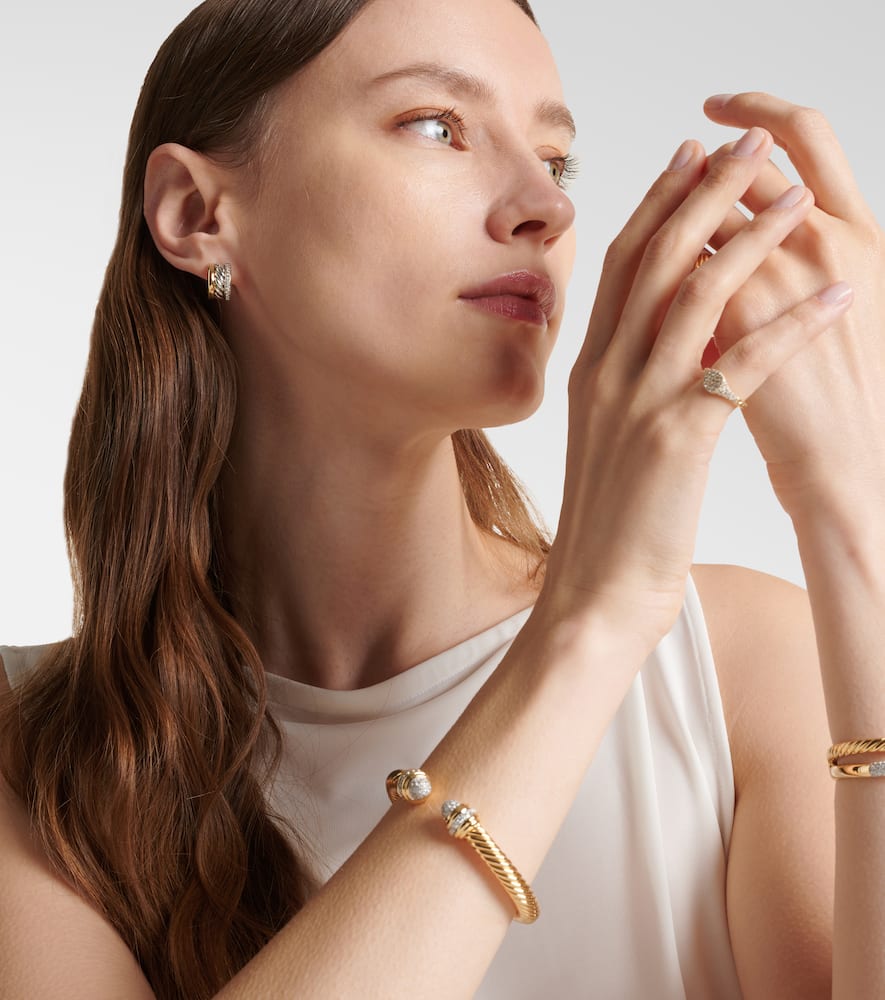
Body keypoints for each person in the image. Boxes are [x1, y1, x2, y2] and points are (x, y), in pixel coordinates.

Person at [1, 0, 883, 996]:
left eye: (555, 161)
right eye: (436, 125)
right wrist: (589, 622)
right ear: (197, 215)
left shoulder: (737, 669)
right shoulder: (29, 758)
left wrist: (852, 509)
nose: (544, 207)